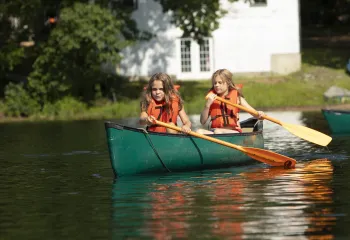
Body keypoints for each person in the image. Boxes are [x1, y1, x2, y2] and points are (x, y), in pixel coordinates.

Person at [197, 69, 264, 134]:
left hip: (233, 131)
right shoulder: (211, 99)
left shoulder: (237, 98)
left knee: (218, 131)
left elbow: (254, 113)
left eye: (220, 82)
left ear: (228, 83)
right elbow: (202, 121)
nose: (216, 85)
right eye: (215, 83)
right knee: (199, 132)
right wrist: (207, 105)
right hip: (215, 131)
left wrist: (259, 114)